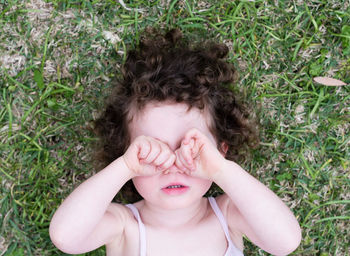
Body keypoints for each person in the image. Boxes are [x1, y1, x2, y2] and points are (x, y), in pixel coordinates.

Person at [49, 28, 301, 256]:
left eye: (190, 147)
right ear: (127, 153)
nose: (172, 164)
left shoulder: (227, 215)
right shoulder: (125, 225)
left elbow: (285, 241)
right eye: (152, 148)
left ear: (220, 150)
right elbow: (66, 237)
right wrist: (124, 167)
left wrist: (221, 170)